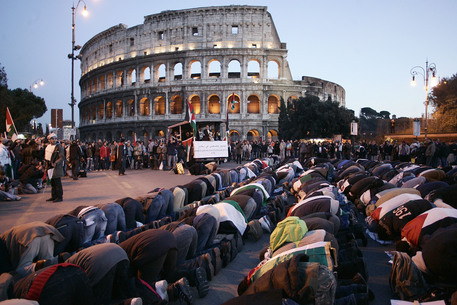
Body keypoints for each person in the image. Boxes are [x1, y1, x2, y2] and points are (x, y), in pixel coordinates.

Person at [44, 134, 65, 202]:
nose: (53, 140)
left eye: (55, 139)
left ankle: (59, 197)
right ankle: (54, 196)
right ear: (49, 140)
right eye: (52, 139)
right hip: (49, 166)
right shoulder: (48, 147)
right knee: (52, 182)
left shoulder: (58, 147)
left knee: (57, 182)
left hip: (56, 167)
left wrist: (56, 163)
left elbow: (61, 157)